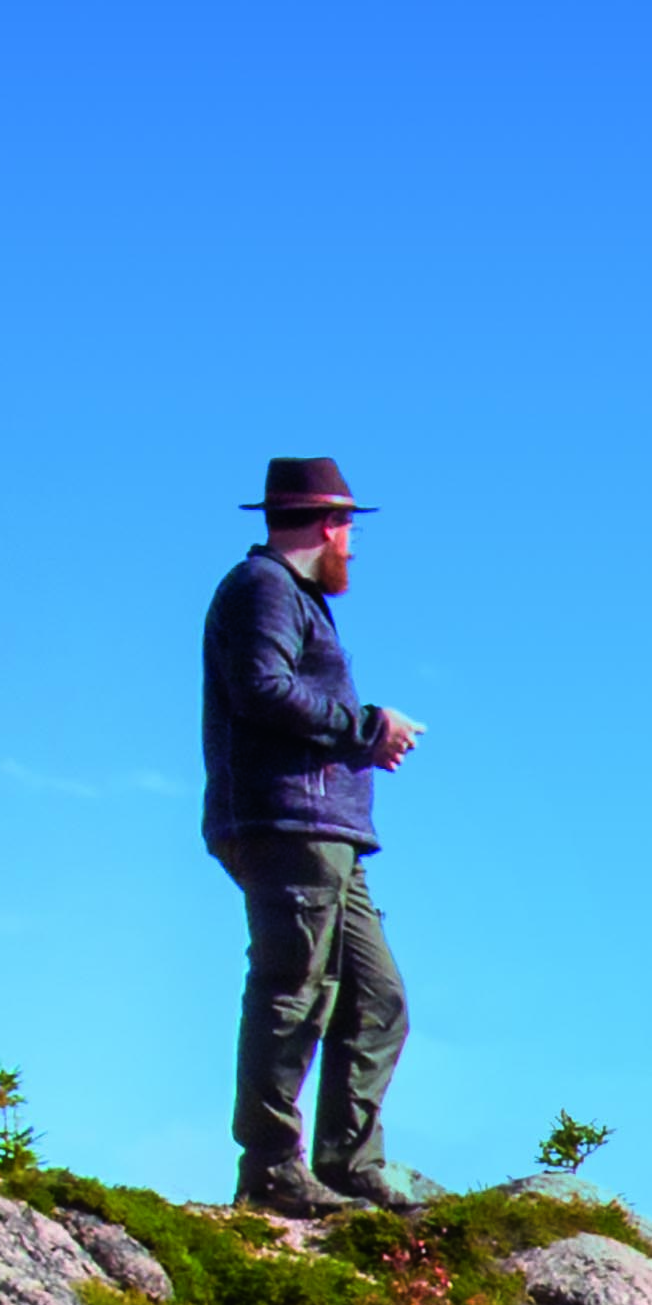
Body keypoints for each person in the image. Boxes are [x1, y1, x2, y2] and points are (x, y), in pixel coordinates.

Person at [200, 454, 427, 1213]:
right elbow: (260, 688)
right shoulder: (261, 588)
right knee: (292, 990)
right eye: (350, 531)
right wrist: (367, 728)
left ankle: (346, 1164)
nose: (354, 549)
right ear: (330, 526)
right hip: (288, 822)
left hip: (327, 830)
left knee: (376, 998)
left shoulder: (287, 595)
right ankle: (270, 1168)